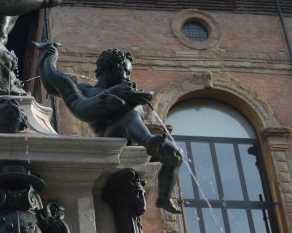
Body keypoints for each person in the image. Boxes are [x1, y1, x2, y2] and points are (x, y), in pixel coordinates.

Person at [36, 42, 184, 213]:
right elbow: (51, 83)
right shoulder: (86, 90)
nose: (128, 77)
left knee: (174, 155)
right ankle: (149, 140)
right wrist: (48, 56)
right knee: (128, 116)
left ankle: (164, 199)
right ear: (111, 68)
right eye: (126, 71)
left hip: (135, 141)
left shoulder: (127, 89)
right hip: (111, 139)